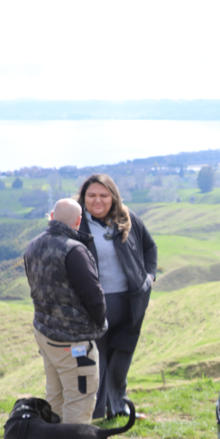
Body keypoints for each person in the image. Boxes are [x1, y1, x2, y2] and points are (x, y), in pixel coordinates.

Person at [23, 198, 107, 439]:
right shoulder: (75, 250)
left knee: (55, 395)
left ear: (51, 217)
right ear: (77, 222)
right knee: (80, 399)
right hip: (74, 342)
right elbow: (94, 296)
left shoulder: (32, 245)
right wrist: (98, 324)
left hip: (45, 333)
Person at [76, 174, 158, 420]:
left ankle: (119, 408)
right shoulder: (76, 223)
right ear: (83, 197)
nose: (97, 200)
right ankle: (96, 412)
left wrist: (149, 277)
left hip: (130, 302)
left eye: (103, 195)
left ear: (113, 197)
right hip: (92, 305)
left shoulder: (127, 218)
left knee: (121, 357)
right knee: (95, 359)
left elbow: (150, 247)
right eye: (92, 195)